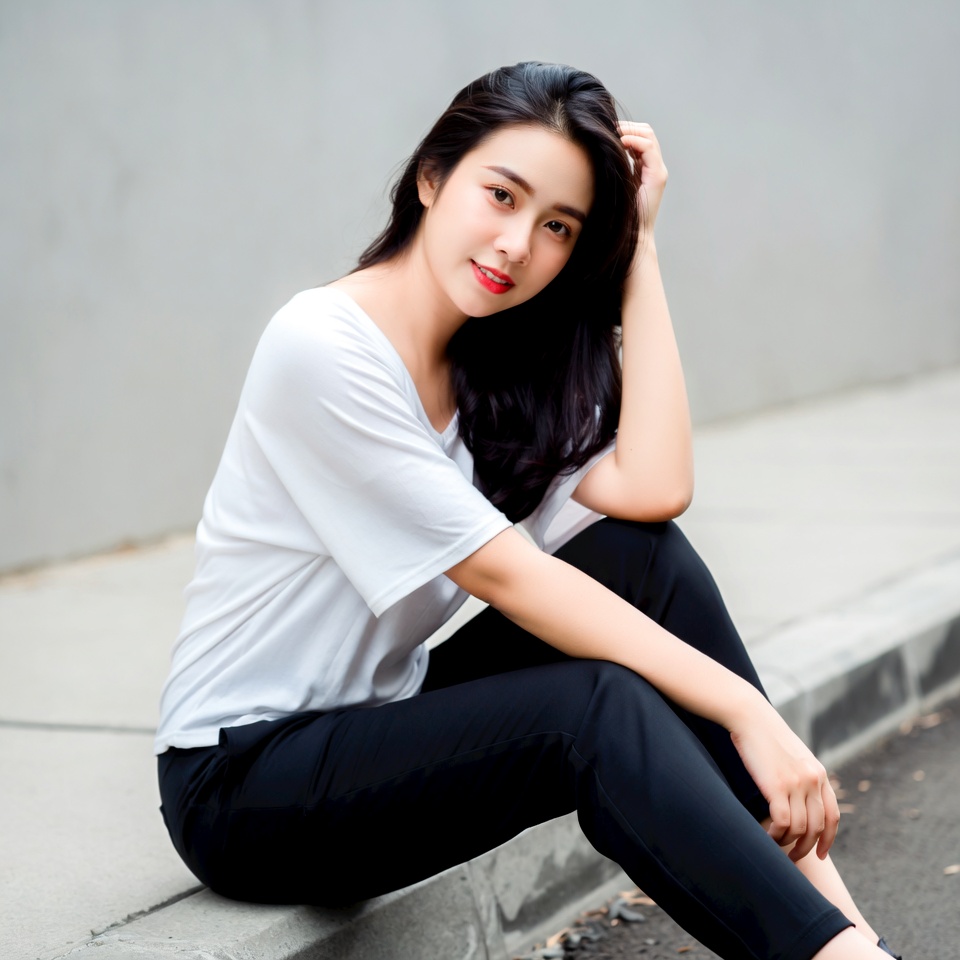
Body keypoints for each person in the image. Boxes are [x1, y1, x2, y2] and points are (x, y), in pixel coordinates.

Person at [156, 62, 902, 960]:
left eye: (558, 227)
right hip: (242, 783)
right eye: (501, 195)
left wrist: (641, 247)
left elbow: (653, 490)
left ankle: (852, 939)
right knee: (588, 709)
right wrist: (746, 707)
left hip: (375, 723)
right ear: (432, 177)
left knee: (643, 558)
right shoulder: (321, 346)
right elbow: (507, 577)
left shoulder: (487, 377)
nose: (517, 245)